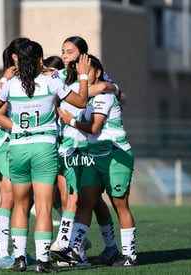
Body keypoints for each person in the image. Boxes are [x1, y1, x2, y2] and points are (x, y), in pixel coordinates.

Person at [0, 40, 90, 273]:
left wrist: (4, 78)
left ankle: (19, 258)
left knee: (20, 206)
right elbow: (81, 100)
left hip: (18, 148)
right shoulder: (51, 81)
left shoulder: (12, 84)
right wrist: (83, 76)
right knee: (44, 207)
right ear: (40, 60)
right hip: (43, 147)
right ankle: (43, 261)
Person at [54, 54, 138, 267]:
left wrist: (71, 121)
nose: (83, 74)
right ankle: (73, 250)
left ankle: (129, 255)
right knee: (86, 201)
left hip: (115, 155)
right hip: (94, 157)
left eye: (87, 71)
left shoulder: (104, 94)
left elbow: (94, 128)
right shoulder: (88, 94)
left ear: (98, 72)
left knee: (120, 205)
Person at [0, 37, 33, 269]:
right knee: (9, 198)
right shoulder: (8, 79)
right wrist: (21, 128)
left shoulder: (40, 77)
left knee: (25, 200)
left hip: (33, 145)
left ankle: (21, 253)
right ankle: (2, 254)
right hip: (7, 144)